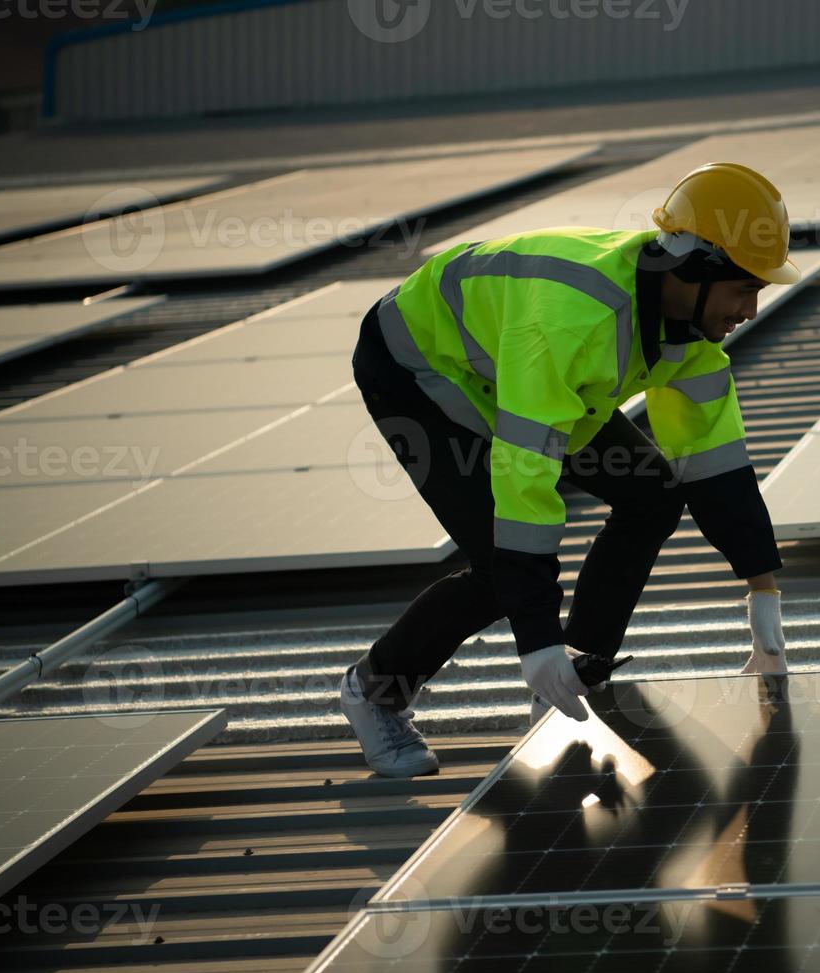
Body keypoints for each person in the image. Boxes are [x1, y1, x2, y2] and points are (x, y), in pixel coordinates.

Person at [341, 162, 796, 777]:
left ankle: (576, 673)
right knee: (499, 561)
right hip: (423, 368)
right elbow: (525, 479)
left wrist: (761, 587)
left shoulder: (692, 334)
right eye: (744, 288)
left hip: (523, 377)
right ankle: (375, 692)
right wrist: (536, 638)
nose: (750, 308)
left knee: (652, 495)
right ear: (697, 268)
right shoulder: (575, 317)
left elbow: (714, 462)